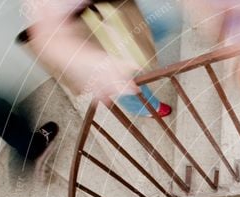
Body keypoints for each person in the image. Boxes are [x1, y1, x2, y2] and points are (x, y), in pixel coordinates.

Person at [18, 0, 174, 117]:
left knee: (158, 24)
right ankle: (141, 106)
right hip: (85, 31)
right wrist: (97, 62)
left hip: (107, 10)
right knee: (120, 75)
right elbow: (46, 38)